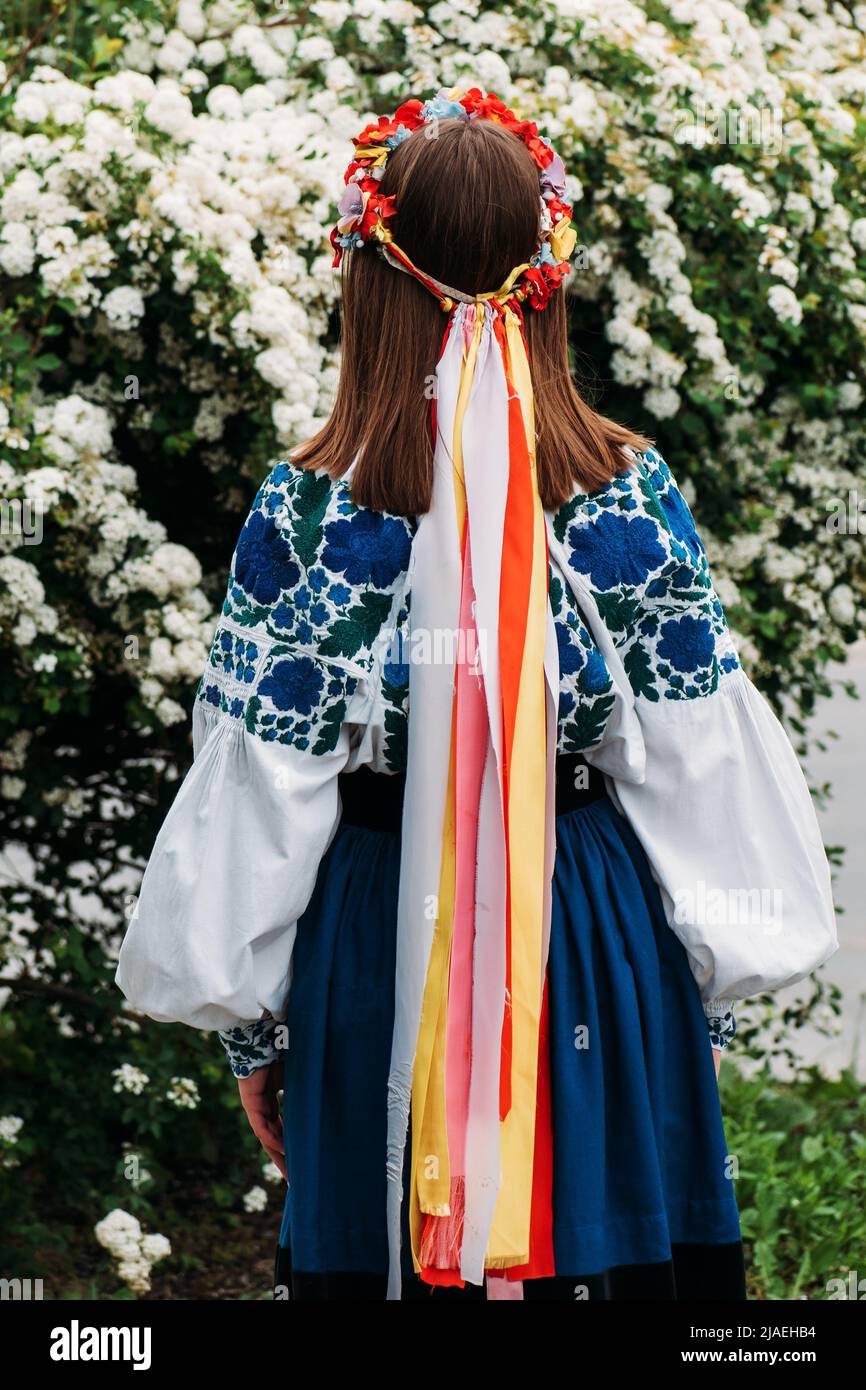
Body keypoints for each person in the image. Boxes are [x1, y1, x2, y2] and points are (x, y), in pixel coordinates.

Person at [116, 88, 837, 1302]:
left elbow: (261, 792)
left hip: (379, 936)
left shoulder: (314, 509)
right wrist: (686, 1007)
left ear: (369, 276)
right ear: (544, 270)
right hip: (589, 936)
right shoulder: (619, 491)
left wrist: (254, 1032)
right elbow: (694, 760)